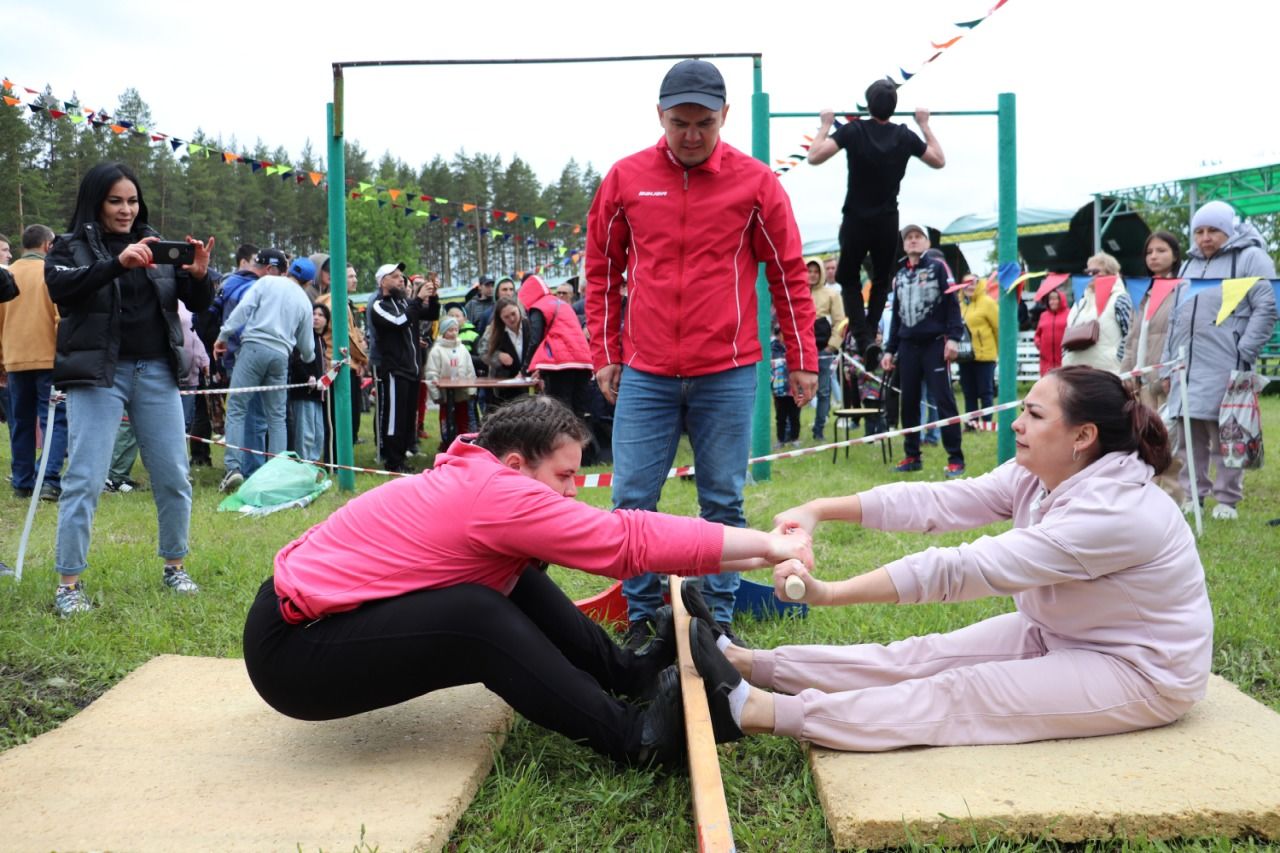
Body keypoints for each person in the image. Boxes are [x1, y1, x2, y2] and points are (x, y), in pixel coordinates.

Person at [241, 395, 814, 767]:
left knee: (512, 580)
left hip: (308, 624)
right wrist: (766, 547)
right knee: (475, 616)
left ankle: (629, 672)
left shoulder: (482, 482)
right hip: (293, 650)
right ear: (515, 466)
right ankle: (634, 738)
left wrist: (758, 553)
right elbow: (625, 542)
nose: (572, 491)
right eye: (563, 475)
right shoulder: (493, 493)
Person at [683, 366, 1212, 753]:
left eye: (1032, 414)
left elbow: (962, 570)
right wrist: (819, 508)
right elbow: (935, 502)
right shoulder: (1041, 472)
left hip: (1141, 670)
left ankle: (758, 710)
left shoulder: (1116, 513)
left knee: (960, 694)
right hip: (1061, 632)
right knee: (917, 656)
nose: (1016, 424)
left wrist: (828, 593)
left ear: (1083, 436)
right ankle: (749, 663)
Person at [586, 58, 818, 648]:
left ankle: (717, 619)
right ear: (659, 116)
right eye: (679, 122)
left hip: (728, 369)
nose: (691, 135)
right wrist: (605, 352)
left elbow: (789, 273)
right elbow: (601, 271)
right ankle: (643, 620)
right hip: (645, 370)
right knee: (632, 500)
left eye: (704, 123)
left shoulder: (756, 183)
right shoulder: (625, 179)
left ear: (724, 118)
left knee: (723, 499)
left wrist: (803, 358)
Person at [44, 162, 214, 615]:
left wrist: (200, 277)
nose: (126, 209)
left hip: (157, 372)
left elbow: (194, 304)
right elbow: (62, 289)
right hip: (100, 374)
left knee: (174, 476)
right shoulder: (71, 245)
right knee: (85, 478)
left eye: (132, 200)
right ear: (97, 200)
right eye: (115, 201)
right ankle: (68, 585)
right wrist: (116, 263)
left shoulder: (158, 244)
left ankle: (175, 568)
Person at [807, 79, 945, 356]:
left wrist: (825, 124)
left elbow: (814, 156)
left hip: (856, 218)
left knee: (848, 279)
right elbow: (938, 160)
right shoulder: (905, 135)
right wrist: (924, 124)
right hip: (886, 220)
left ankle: (863, 339)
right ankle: (869, 336)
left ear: (868, 104)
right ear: (894, 109)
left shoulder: (854, 130)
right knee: (882, 281)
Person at [1161, 201, 1278, 520]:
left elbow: (1268, 307)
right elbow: (1175, 316)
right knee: (1188, 433)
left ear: (1228, 230)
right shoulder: (1188, 266)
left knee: (1227, 434)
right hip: (1187, 363)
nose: (1205, 238)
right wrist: (1167, 361)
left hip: (1228, 361)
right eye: (1198, 231)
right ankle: (1194, 496)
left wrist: (1244, 349)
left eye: (1213, 230)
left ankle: (1227, 499)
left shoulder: (1250, 258)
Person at [213, 263, 316, 491]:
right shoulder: (305, 302)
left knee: (237, 408)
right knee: (276, 416)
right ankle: (276, 473)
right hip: (281, 355)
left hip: (254, 346)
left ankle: (234, 468)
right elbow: (307, 348)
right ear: (308, 283)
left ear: (287, 272)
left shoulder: (267, 282)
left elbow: (243, 310)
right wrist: (308, 358)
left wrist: (223, 335)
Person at [880, 224, 965, 477]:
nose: (913, 241)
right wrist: (889, 350)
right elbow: (896, 316)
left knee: (943, 399)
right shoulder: (900, 275)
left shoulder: (939, 267)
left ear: (926, 243)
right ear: (904, 244)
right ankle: (912, 455)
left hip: (935, 343)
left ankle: (956, 458)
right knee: (908, 402)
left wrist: (953, 338)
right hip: (907, 345)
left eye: (918, 237)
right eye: (909, 238)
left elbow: (952, 304)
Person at [0, 224, 68, 501]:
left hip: (15, 360)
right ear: (47, 246)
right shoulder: (51, 273)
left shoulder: (6, 274)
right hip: (49, 359)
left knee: (21, 422)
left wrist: (2, 359)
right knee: (54, 421)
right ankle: (49, 479)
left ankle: (22, 480)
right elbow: (60, 319)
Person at [517, 273, 595, 455]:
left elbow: (535, 339)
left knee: (560, 409)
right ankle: (580, 454)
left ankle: (562, 453)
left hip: (560, 364)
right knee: (578, 411)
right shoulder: (562, 305)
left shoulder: (539, 307)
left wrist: (525, 369)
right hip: (583, 361)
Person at [368, 263, 435, 473]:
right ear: (382, 281)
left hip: (412, 369)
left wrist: (433, 294)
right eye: (395, 276)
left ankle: (403, 458)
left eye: (401, 276)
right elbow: (399, 322)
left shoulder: (403, 301)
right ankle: (393, 462)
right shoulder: (379, 304)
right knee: (394, 419)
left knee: (407, 418)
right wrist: (416, 299)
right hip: (395, 370)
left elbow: (431, 314)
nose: (401, 279)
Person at [1061, 252, 1133, 373]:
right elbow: (1066, 335)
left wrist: (1118, 361)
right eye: (1087, 272)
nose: (1090, 275)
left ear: (1111, 274)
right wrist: (1066, 359)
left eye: (1095, 272)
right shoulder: (1079, 302)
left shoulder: (1120, 299)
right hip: (1074, 373)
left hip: (1107, 374)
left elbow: (1130, 335)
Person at [423, 315, 477, 452]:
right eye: (450, 330)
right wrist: (435, 394)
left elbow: (470, 370)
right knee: (447, 421)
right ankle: (448, 444)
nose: (453, 333)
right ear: (443, 332)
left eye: (455, 329)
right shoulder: (437, 351)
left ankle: (464, 445)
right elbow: (431, 374)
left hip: (462, 394)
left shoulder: (463, 349)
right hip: (445, 396)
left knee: (464, 420)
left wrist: (471, 390)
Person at [806, 257, 846, 440]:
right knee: (796, 391)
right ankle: (790, 432)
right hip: (802, 349)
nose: (812, 275)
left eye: (816, 271)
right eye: (809, 271)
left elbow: (841, 322)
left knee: (823, 390)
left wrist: (832, 346)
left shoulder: (831, 294)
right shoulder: (797, 292)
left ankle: (819, 429)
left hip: (823, 350)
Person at [287, 304, 329, 462]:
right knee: (305, 433)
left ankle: (312, 464)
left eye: (321, 315)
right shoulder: (303, 336)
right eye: (314, 314)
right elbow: (296, 360)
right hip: (303, 393)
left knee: (318, 433)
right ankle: (302, 466)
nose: (316, 317)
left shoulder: (321, 341)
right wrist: (307, 378)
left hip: (318, 394)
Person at [957, 272, 999, 425]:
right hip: (964, 355)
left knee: (985, 391)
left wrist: (997, 353)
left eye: (973, 283)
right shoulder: (960, 305)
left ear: (979, 284)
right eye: (966, 284)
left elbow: (998, 328)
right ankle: (971, 424)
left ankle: (987, 423)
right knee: (969, 392)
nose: (970, 286)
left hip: (985, 355)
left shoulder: (988, 302)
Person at [483, 296, 531, 410]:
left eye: (513, 313)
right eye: (506, 317)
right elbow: (483, 353)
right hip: (506, 387)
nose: (512, 319)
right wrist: (498, 356)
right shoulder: (494, 332)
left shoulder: (530, 326)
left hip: (530, 382)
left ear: (518, 309)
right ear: (500, 318)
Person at [1034, 288, 1067, 376]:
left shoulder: (1070, 314)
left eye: (1055, 299)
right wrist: (1039, 344)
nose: (1052, 302)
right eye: (1050, 299)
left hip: (1064, 358)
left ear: (1061, 300)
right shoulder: (1043, 315)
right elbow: (1038, 334)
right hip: (1046, 360)